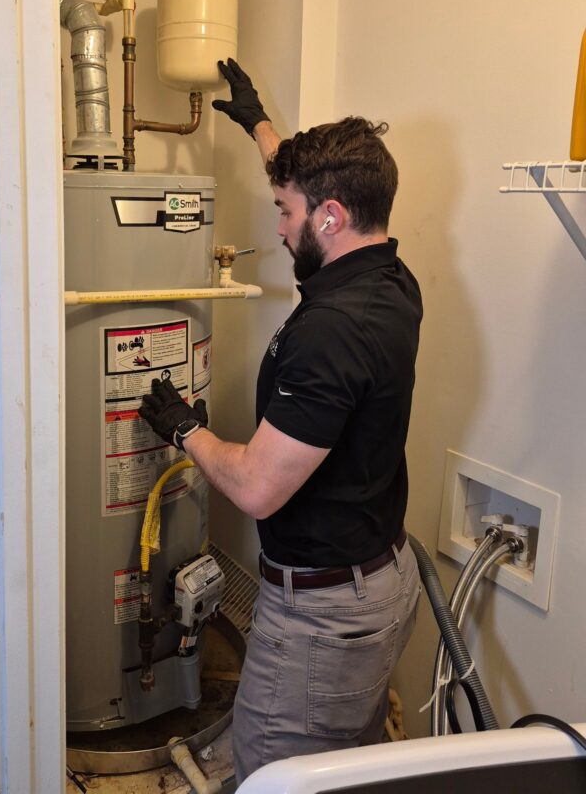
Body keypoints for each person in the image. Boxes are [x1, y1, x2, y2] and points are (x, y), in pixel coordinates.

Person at [138, 59, 422, 784]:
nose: (277, 223)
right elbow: (303, 176)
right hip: (376, 578)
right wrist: (257, 122)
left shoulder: (333, 329)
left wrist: (184, 430)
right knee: (341, 762)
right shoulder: (387, 272)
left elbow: (260, 489)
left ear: (330, 216)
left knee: (276, 772)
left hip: (324, 621)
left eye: (286, 213)